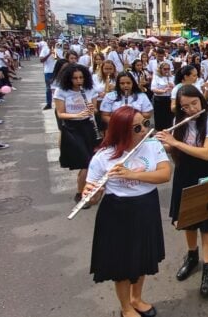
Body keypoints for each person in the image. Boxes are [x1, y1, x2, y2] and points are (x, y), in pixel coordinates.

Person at [84, 106, 171, 317]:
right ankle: (125, 307)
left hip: (146, 206)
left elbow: (164, 175)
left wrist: (133, 174)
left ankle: (136, 298)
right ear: (122, 131)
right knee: (120, 263)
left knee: (142, 257)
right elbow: (93, 197)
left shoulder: (152, 145)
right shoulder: (102, 157)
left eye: (146, 124)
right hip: (116, 212)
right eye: (138, 127)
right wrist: (92, 193)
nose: (145, 129)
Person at [156, 85, 208, 298]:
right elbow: (174, 148)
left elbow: (206, 153)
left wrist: (175, 142)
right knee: (187, 219)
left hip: (205, 170)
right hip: (184, 171)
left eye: (194, 103)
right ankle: (192, 257)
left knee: (207, 222)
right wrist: (163, 142)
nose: (191, 109)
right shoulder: (179, 121)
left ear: (201, 99)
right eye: (185, 106)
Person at [53, 64, 100, 205]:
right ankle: (80, 193)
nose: (79, 81)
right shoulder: (61, 91)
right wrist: (77, 114)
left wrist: (92, 109)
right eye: (75, 78)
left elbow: (95, 110)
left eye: (81, 77)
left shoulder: (90, 89)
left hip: (88, 126)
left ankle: (88, 189)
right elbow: (61, 114)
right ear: (69, 79)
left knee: (91, 161)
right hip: (72, 128)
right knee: (85, 162)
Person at [150, 61, 174, 131]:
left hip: (169, 99)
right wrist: (163, 91)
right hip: (159, 99)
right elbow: (153, 89)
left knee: (169, 118)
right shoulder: (156, 77)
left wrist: (172, 86)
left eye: (168, 69)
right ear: (161, 69)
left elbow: (176, 87)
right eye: (165, 69)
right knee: (160, 118)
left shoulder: (171, 77)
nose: (167, 71)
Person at [39, 40, 56, 110]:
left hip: (57, 71)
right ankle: (49, 104)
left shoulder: (58, 49)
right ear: (48, 43)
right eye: (50, 43)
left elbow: (61, 59)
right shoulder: (45, 49)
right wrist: (49, 54)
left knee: (58, 88)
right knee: (48, 88)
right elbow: (41, 60)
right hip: (48, 71)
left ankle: (58, 103)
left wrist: (56, 54)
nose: (52, 44)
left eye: (53, 43)